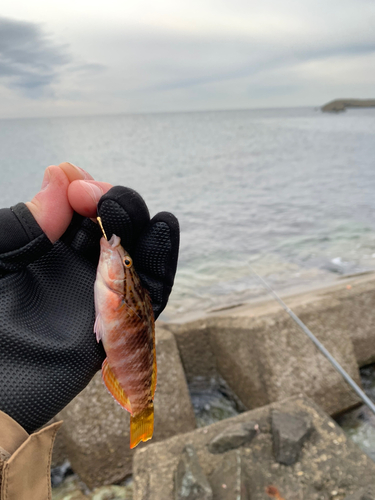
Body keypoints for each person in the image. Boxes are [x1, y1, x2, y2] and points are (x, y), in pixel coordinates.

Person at [0, 163, 179, 500]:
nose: (120, 257)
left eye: (126, 263)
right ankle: (142, 411)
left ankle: (142, 412)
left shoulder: (118, 291)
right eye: (127, 263)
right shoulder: (116, 287)